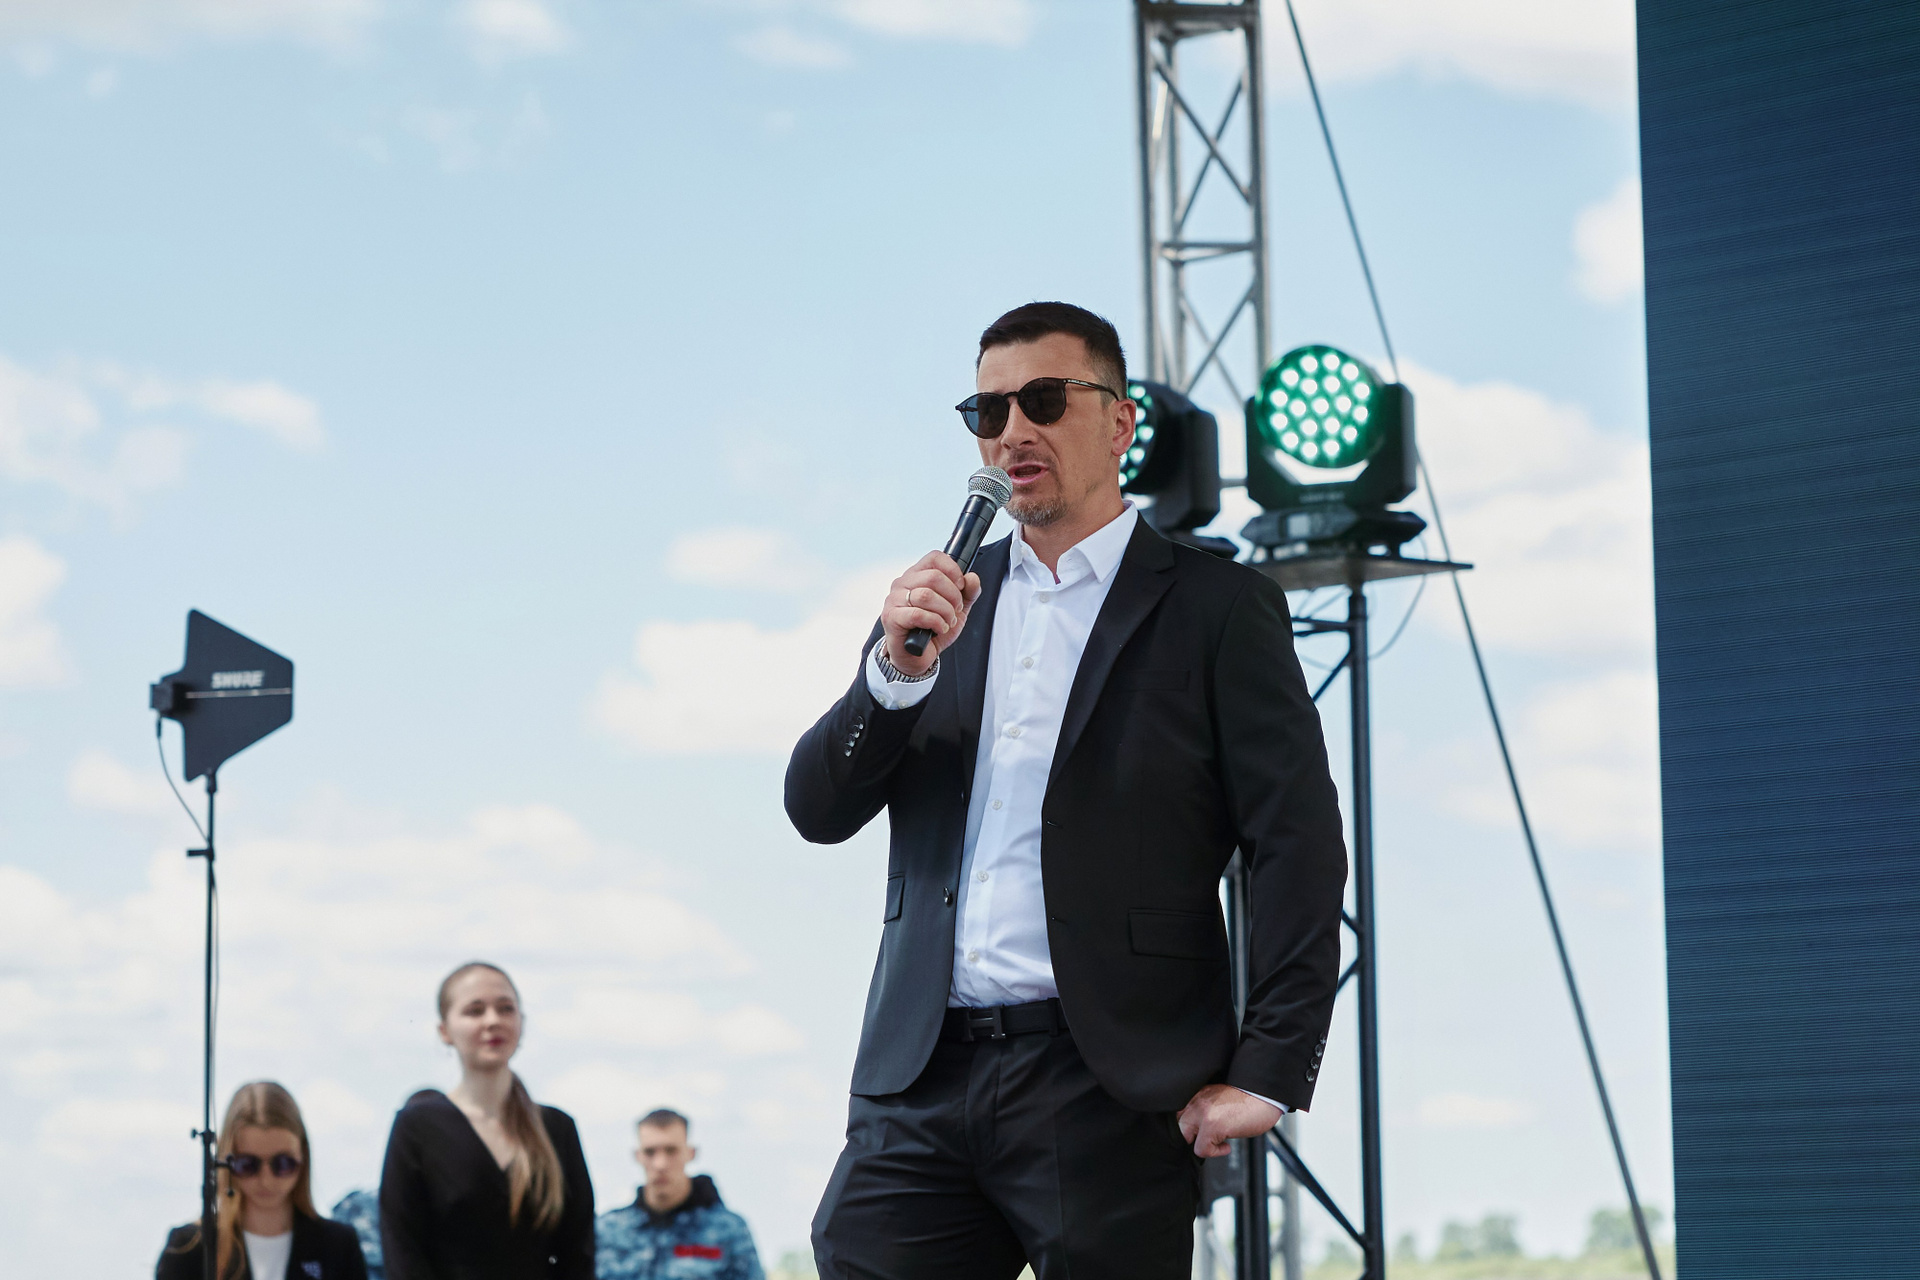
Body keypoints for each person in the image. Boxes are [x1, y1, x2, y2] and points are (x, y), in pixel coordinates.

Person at [786, 301, 1349, 1278]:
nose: (1012, 430)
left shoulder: (1216, 607)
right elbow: (817, 809)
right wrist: (893, 676)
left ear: (1120, 422)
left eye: (1043, 400)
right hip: (921, 1077)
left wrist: (1271, 1066)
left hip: (1108, 1085)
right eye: (988, 410)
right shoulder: (939, 607)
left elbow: (1296, 844)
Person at [378, 961, 595, 1278]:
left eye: (505, 1008)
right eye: (475, 1011)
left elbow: (578, 1253)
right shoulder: (417, 1127)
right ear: (444, 1031)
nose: (493, 1020)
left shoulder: (557, 1128)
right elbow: (403, 1251)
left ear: (521, 1021)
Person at [156, 1080, 369, 1280]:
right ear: (226, 1160)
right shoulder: (188, 1249)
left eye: (283, 1164)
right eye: (248, 1164)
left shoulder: (339, 1246)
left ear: (303, 1157)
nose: (266, 1180)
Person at [595, 1109, 765, 1280]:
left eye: (671, 1151)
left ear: (691, 1153)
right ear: (638, 1156)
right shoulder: (606, 1231)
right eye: (650, 1152)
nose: (660, 1164)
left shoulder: (728, 1231)